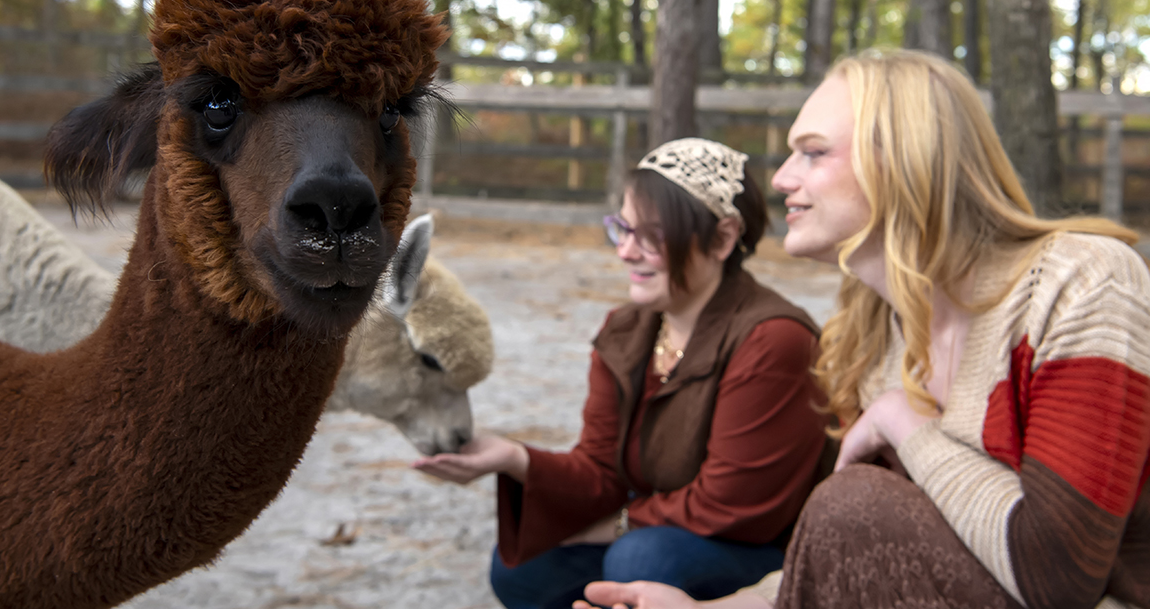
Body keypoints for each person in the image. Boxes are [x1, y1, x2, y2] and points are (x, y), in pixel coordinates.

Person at [573, 49, 1150, 609]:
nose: (781, 178)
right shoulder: (872, 339)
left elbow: (1059, 576)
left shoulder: (1078, 284)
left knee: (852, 499)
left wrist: (903, 422)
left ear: (904, 158)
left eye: (813, 153)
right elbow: (865, 555)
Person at [414, 138, 829, 609]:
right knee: (521, 569)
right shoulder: (627, 330)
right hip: (663, 532)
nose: (626, 252)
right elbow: (601, 471)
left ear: (722, 238)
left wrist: (616, 526)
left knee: (641, 559)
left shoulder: (773, 339)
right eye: (623, 230)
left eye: (651, 235)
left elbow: (730, 505)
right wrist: (513, 458)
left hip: (764, 557)